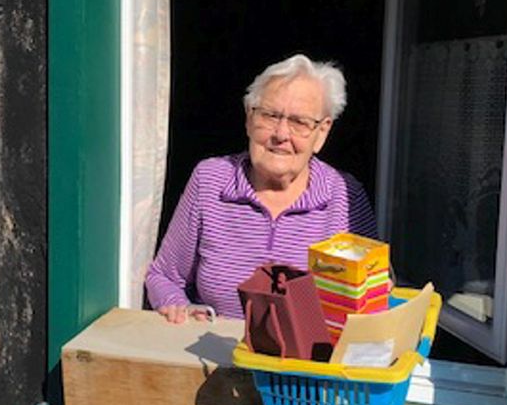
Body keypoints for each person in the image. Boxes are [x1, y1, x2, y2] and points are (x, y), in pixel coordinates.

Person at [145, 54, 378, 323]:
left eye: (299, 123)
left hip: (306, 362)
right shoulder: (210, 181)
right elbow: (163, 276)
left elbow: (370, 301)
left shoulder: (345, 195)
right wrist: (179, 309)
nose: (281, 134)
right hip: (215, 355)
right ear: (248, 118)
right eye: (269, 115)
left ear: (322, 132)